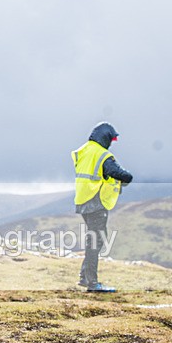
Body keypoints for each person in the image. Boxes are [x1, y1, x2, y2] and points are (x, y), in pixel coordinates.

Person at [72, 122, 133, 292]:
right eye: (111, 140)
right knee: (95, 241)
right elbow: (118, 173)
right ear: (106, 138)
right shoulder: (102, 155)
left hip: (83, 200)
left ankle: (85, 277)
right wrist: (128, 177)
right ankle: (92, 283)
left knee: (95, 239)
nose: (111, 143)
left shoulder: (84, 151)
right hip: (96, 202)